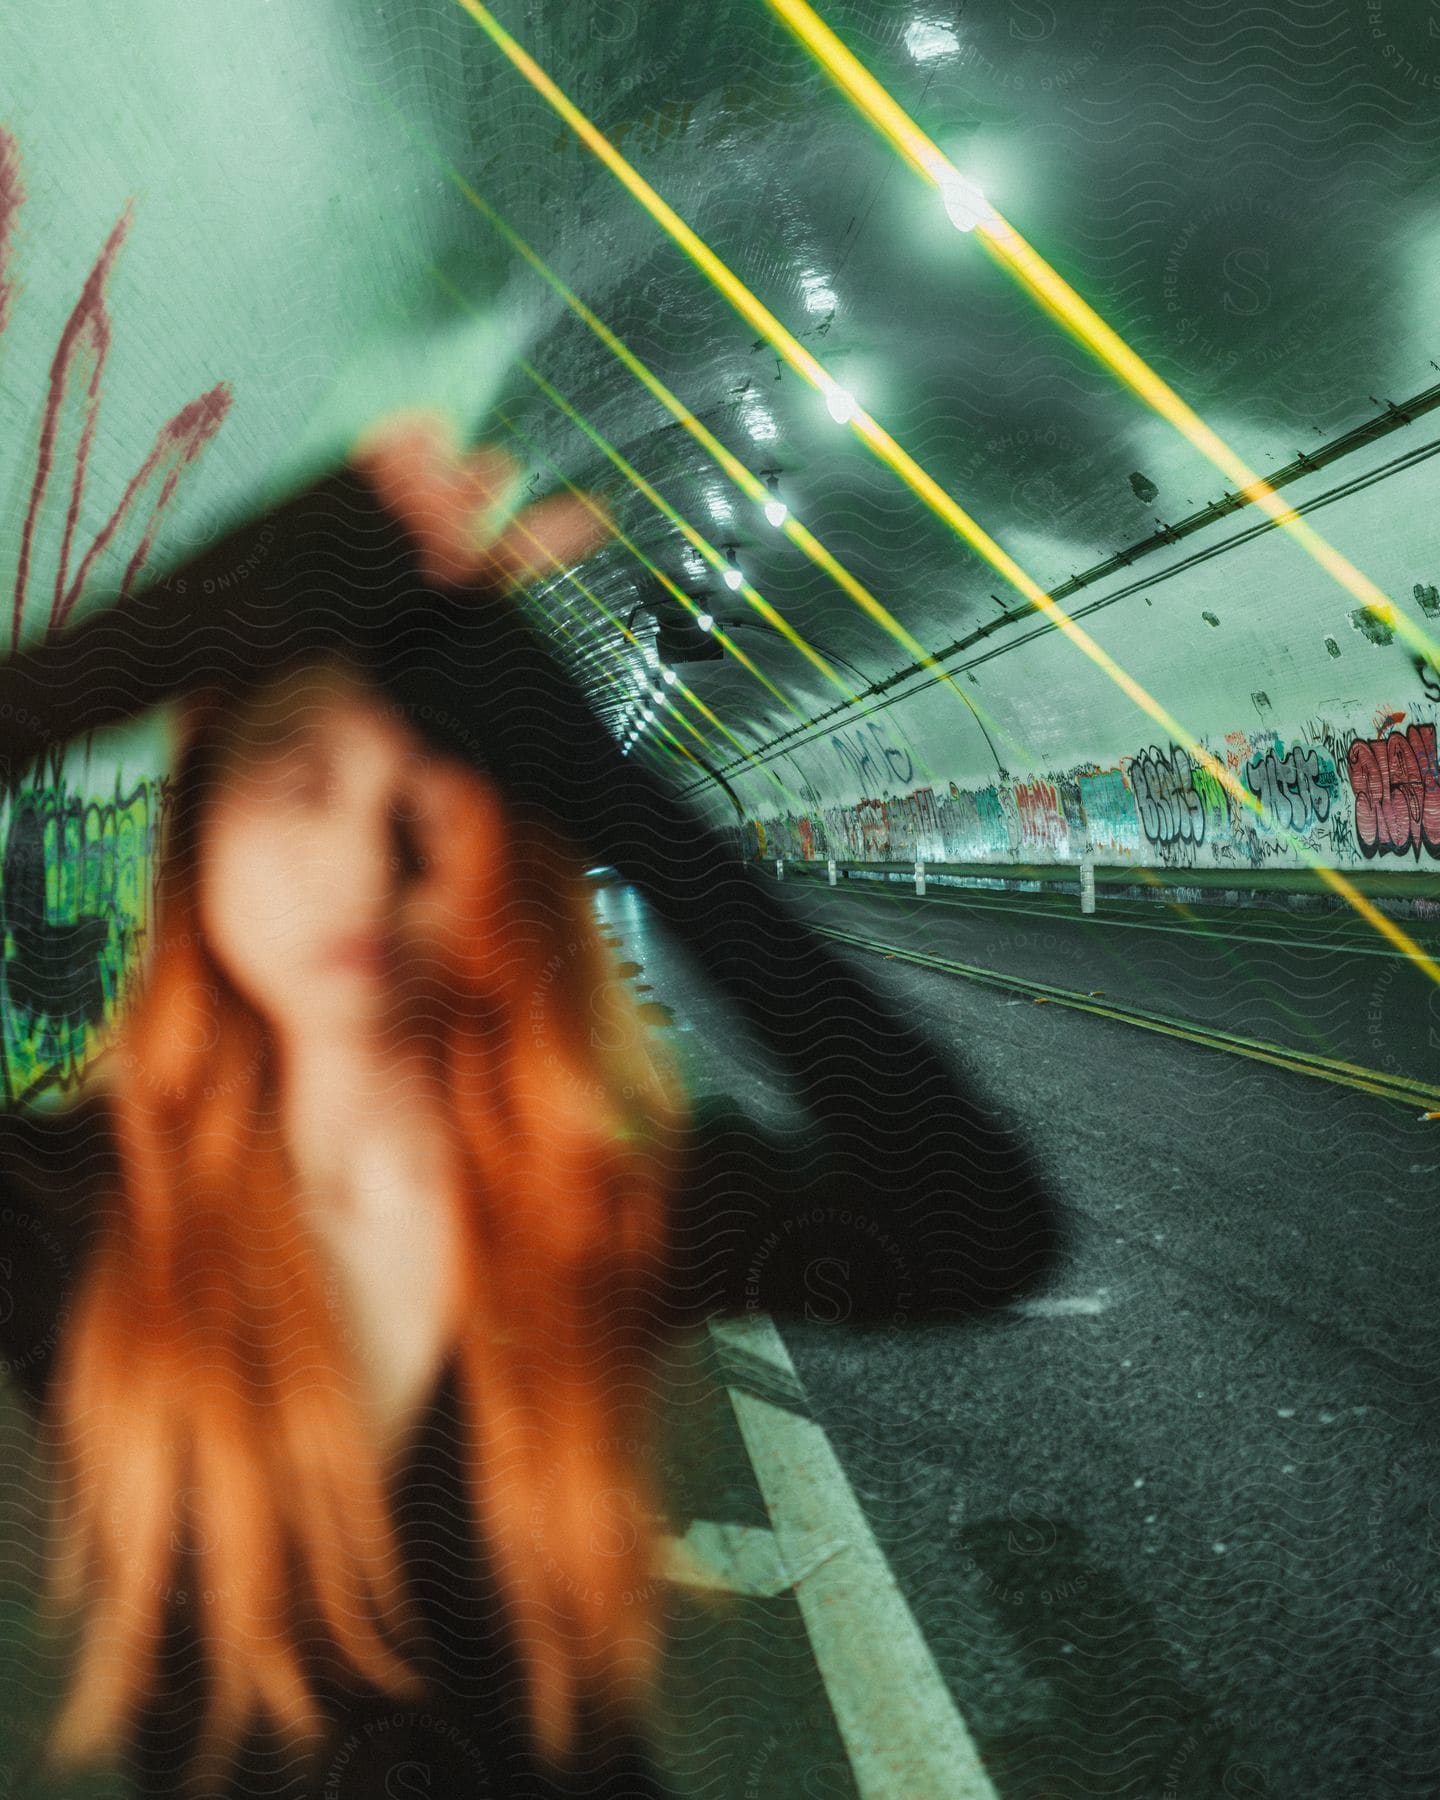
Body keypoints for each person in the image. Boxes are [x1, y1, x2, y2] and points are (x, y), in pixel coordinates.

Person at [0, 410, 1064, 1798]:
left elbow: (977, 1222)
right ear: (196, 844)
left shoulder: (589, 1201)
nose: (367, 856)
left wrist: (600, 787)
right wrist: (186, 625)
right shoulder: (74, 1215)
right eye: (296, 776)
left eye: (432, 795)